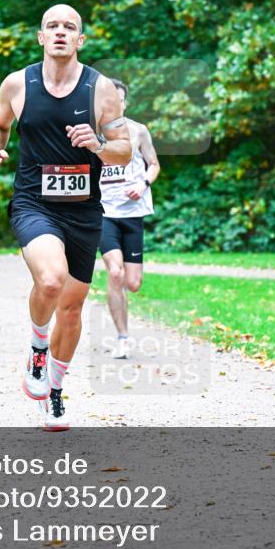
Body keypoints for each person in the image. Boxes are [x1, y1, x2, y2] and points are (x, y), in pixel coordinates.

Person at [0, 4, 132, 432]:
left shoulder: (101, 89)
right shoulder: (18, 83)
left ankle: (55, 393)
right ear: (41, 37)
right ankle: (36, 347)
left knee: (72, 307)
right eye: (53, 26)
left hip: (84, 210)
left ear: (80, 40)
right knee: (51, 280)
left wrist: (98, 144)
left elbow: (125, 149)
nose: (61, 32)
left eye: (70, 27)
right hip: (35, 202)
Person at [98, 79, 160, 359]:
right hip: (103, 213)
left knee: (132, 283)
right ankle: (123, 337)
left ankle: (118, 295)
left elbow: (155, 165)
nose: (114, 105)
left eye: (119, 100)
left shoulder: (138, 131)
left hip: (132, 213)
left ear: (125, 103)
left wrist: (144, 183)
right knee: (115, 272)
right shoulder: (91, 133)